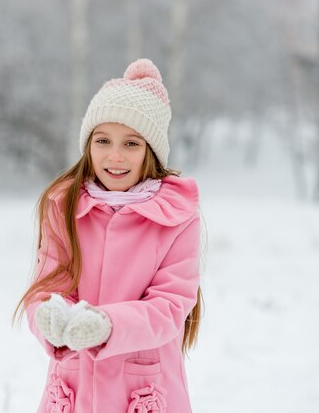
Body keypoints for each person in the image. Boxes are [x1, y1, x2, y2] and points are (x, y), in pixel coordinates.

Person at [13, 58, 203, 413]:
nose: (115, 156)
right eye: (103, 140)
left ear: (151, 151)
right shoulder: (63, 207)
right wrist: (49, 318)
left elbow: (170, 306)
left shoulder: (177, 217)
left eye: (131, 143)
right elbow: (46, 287)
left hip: (143, 391)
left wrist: (107, 325)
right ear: (88, 145)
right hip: (73, 390)